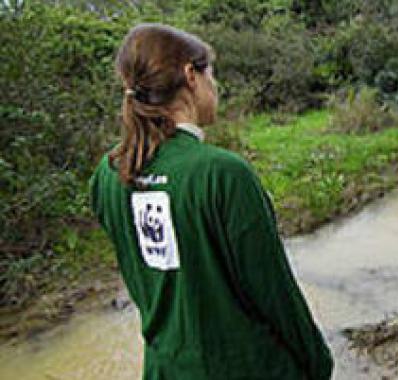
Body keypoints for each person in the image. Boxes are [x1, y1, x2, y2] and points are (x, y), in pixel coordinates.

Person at [90, 24, 333, 380]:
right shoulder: (222, 174)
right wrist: (317, 363)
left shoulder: (109, 173)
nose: (216, 86)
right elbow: (275, 293)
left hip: (164, 369)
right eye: (211, 74)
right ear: (191, 76)